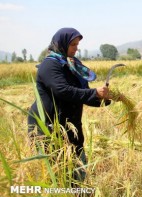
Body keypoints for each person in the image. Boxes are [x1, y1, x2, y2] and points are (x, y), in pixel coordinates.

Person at [27, 27, 113, 182]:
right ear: (62, 44)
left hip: (71, 126)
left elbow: (82, 94)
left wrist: (106, 99)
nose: (76, 48)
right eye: (73, 44)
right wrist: (94, 92)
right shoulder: (50, 65)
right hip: (49, 127)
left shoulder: (74, 65)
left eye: (77, 44)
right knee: (57, 173)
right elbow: (63, 91)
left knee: (77, 168)